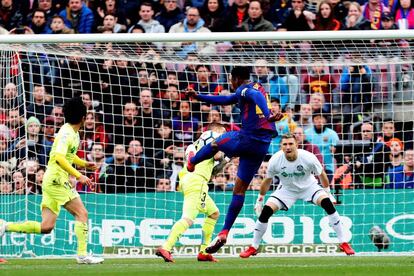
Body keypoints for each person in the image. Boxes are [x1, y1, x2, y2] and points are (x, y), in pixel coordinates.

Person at [185, 66, 283, 253]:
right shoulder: (256, 87)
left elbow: (255, 97)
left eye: (231, 80)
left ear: (236, 78)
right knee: (239, 190)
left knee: (215, 143)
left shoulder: (246, 89)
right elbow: (225, 99)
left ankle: (193, 161)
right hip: (261, 147)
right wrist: (198, 97)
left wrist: (268, 114)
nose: (231, 83)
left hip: (247, 139)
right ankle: (224, 231)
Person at [0, 97, 104, 264]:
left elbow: (68, 156)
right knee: (82, 213)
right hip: (56, 179)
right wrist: (79, 176)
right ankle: (83, 255)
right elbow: (59, 158)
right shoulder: (66, 132)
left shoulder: (72, 133)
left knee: (46, 227)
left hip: (52, 179)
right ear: (84, 117)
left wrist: (84, 164)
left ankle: (4, 226)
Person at [239, 134, 355, 258]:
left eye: (290, 144)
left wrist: (328, 193)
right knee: (266, 212)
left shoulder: (308, 157)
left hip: (309, 187)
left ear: (296, 145)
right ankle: (254, 247)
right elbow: (267, 180)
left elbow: (322, 175)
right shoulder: (275, 160)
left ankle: (343, 243)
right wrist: (260, 200)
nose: (288, 147)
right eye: (285, 144)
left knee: (328, 204)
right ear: (280, 147)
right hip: (286, 190)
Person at [156, 123, 227, 262]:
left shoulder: (193, 145)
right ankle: (166, 247)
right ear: (214, 132)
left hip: (188, 180)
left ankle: (204, 252)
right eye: (223, 132)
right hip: (197, 182)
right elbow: (219, 157)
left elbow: (213, 172)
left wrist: (227, 159)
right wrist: (231, 150)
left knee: (214, 213)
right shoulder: (213, 144)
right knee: (188, 218)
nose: (224, 136)